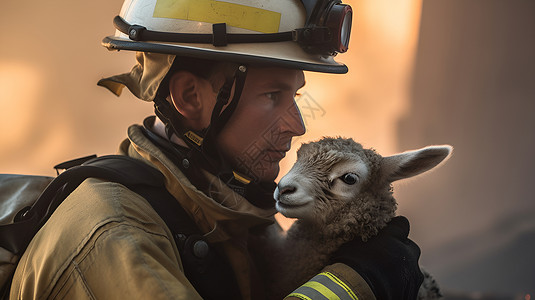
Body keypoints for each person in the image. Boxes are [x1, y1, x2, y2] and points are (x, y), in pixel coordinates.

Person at [10, 0, 424, 299]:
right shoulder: (115, 238)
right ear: (191, 97)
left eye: (296, 96)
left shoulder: (226, 214)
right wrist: (353, 285)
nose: (297, 126)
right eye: (272, 96)